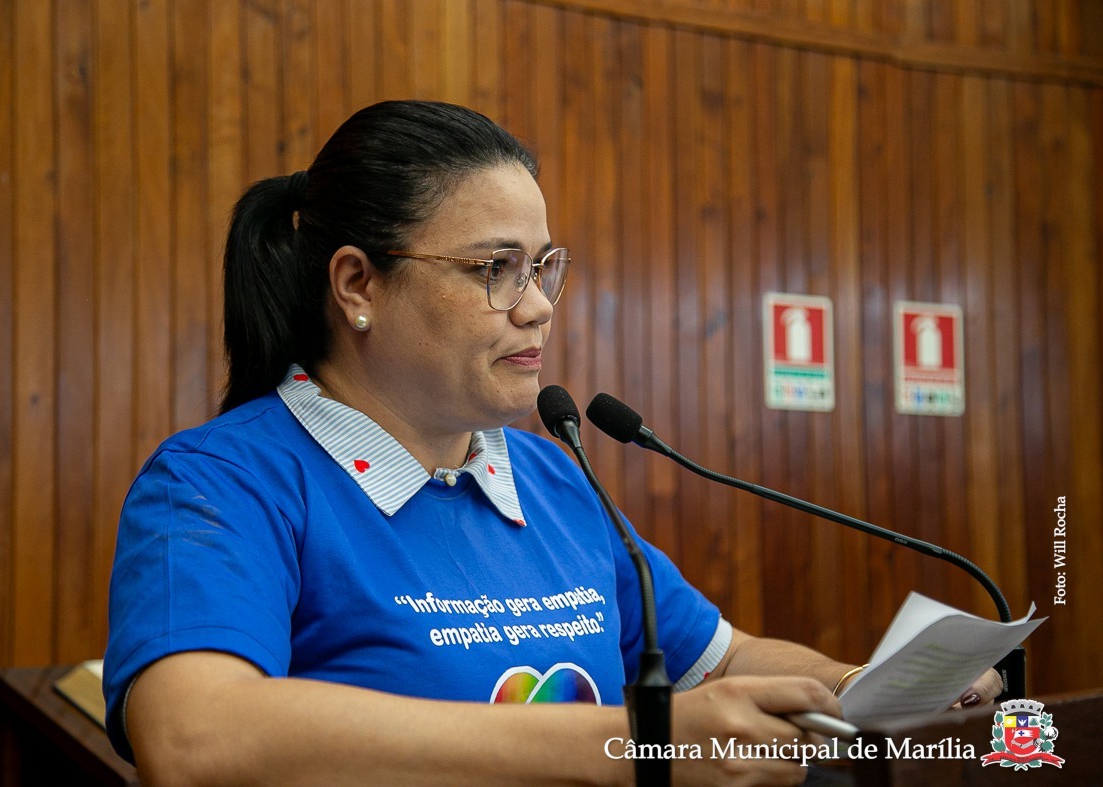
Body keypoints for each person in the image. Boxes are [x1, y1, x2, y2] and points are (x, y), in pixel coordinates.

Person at [103, 99, 999, 785]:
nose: (534, 303)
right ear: (356, 283)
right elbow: (194, 738)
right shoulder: (219, 481)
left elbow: (719, 659)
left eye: (541, 266)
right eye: (493, 268)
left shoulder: (546, 469)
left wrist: (880, 691)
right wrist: (632, 744)